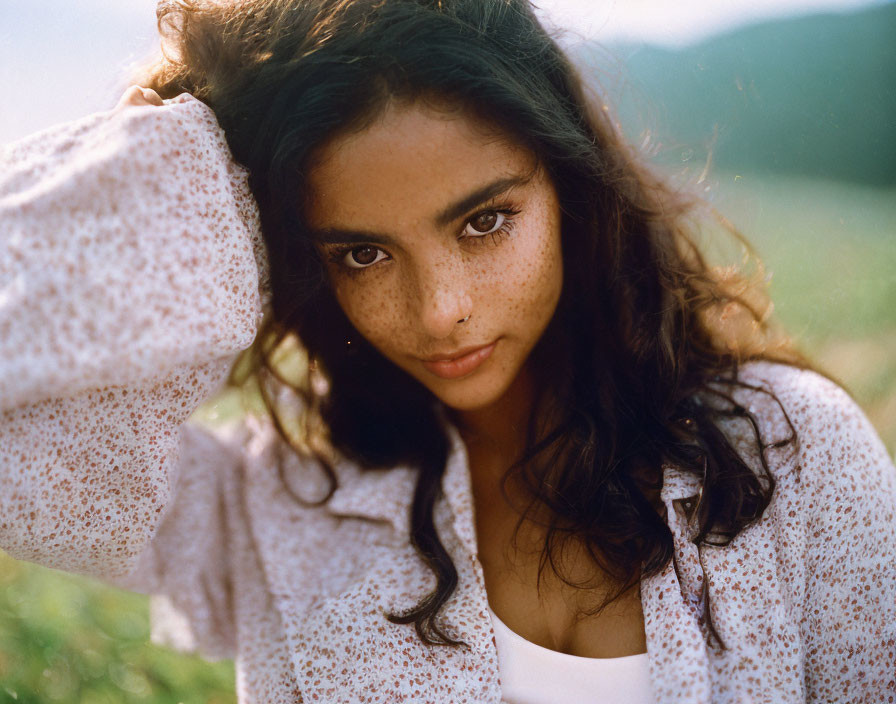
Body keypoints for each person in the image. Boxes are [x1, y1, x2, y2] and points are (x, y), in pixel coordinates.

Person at [1, 0, 894, 701]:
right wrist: (176, 165)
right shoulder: (276, 504)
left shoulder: (790, 454)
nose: (440, 312)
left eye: (485, 221)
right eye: (362, 252)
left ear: (572, 188)